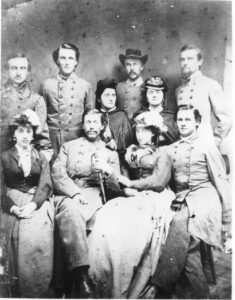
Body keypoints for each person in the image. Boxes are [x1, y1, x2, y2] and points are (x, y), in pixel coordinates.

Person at [138, 105, 231, 299]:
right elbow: (151, 164)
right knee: (188, 242)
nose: (183, 123)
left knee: (179, 222)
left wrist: (227, 220)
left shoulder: (207, 146)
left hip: (205, 198)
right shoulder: (171, 149)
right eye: (180, 120)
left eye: (187, 120)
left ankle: (158, 286)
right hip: (181, 199)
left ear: (197, 122)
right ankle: (201, 294)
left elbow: (221, 182)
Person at [88, 110, 175, 298]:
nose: (140, 135)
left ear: (153, 133)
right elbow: (123, 180)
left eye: (145, 131)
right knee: (108, 214)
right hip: (134, 196)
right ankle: (103, 277)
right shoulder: (131, 151)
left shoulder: (163, 154)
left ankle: (125, 282)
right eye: (138, 130)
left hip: (156, 197)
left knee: (135, 228)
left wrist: (131, 184)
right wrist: (126, 187)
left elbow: (159, 182)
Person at [51, 109, 122, 298]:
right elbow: (57, 174)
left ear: (102, 126)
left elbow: (116, 189)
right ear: (83, 125)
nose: (91, 126)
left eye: (95, 123)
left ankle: (71, 284)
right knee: (71, 212)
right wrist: (74, 193)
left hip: (94, 195)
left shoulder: (109, 153)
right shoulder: (69, 146)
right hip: (68, 193)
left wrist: (107, 172)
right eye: (88, 122)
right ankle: (81, 276)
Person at [0, 114, 54, 297]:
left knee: (39, 233)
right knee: (12, 233)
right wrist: (13, 207)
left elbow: (45, 184)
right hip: (11, 200)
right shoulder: (4, 157)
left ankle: (37, 290)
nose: (24, 135)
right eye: (20, 131)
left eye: (28, 132)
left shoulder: (40, 157)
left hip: (36, 200)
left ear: (33, 135)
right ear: (14, 134)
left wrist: (33, 205)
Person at [41, 43, 94, 160]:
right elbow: (41, 118)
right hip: (53, 140)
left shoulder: (85, 86)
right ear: (57, 61)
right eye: (63, 58)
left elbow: (91, 117)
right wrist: (45, 143)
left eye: (71, 58)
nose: (67, 62)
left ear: (76, 62)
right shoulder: (46, 85)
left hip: (77, 139)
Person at [175, 44, 232, 147]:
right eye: (182, 59)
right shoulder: (179, 90)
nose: (185, 62)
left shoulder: (211, 85)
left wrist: (214, 143)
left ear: (199, 61)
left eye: (190, 59)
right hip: (183, 146)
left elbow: (226, 120)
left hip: (204, 145)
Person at [1, 53, 53, 160]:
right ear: (7, 71)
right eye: (14, 68)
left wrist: (38, 162)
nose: (19, 73)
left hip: (28, 158)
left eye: (23, 68)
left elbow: (42, 139)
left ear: (28, 71)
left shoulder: (37, 100)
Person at [95, 78, 133, 174]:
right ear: (99, 98)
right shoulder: (95, 116)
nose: (111, 98)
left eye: (113, 95)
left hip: (120, 162)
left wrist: (116, 145)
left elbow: (128, 140)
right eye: (107, 95)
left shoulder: (122, 116)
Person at [133, 76, 179, 146]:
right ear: (146, 96)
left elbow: (176, 141)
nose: (154, 95)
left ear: (163, 96)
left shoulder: (171, 118)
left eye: (158, 92)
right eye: (150, 92)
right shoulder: (138, 115)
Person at [116, 48, 148, 119]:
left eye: (135, 64)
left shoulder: (149, 88)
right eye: (128, 64)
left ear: (142, 67)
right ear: (124, 67)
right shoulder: (117, 88)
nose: (132, 68)